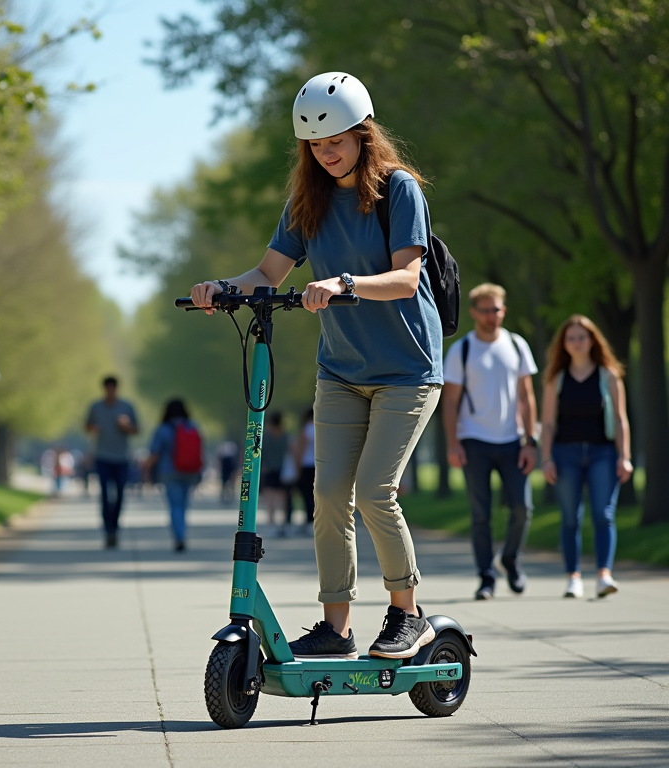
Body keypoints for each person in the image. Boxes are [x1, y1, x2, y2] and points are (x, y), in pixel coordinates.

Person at [190, 71, 442, 660]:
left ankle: (409, 614)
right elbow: (267, 275)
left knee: (375, 491)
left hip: (408, 370)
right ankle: (337, 626)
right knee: (328, 494)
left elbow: (408, 278)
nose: (326, 154)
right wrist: (220, 288)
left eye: (335, 141)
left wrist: (345, 282)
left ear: (363, 134)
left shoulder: (398, 191)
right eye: (315, 145)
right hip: (342, 372)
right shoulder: (308, 201)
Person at [442, 283, 538, 600]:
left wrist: (530, 440)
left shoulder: (517, 345)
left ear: (503, 310)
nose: (490, 315)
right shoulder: (462, 350)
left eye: (495, 309)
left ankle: (510, 558)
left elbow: (527, 396)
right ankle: (486, 576)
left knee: (523, 508)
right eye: (484, 310)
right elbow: (450, 402)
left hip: (512, 441)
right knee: (480, 514)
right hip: (474, 441)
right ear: (473, 313)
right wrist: (453, 443)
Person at [539, 315, 632, 599]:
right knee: (571, 518)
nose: (577, 342)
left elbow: (620, 418)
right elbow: (549, 422)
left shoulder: (609, 375)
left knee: (604, 514)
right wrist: (546, 458)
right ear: (563, 345)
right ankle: (574, 577)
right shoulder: (557, 378)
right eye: (571, 338)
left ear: (592, 340)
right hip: (565, 454)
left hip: (603, 453)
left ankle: (604, 574)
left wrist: (624, 456)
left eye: (582, 337)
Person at [85, 376, 139, 548]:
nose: (110, 391)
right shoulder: (96, 407)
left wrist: (126, 426)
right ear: (104, 389)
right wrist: (93, 428)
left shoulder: (126, 407)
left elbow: (136, 430)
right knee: (105, 495)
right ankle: (108, 530)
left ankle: (115, 528)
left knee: (120, 494)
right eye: (107, 388)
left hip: (121, 457)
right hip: (102, 457)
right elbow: (87, 426)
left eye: (112, 388)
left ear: (116, 389)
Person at [144, 398, 203, 552]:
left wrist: (146, 469)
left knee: (174, 505)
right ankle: (182, 533)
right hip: (190, 472)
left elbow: (154, 452)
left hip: (169, 472)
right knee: (183, 505)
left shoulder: (163, 429)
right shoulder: (192, 426)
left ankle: (179, 537)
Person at [261, 412, 290, 536]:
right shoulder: (285, 436)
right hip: (283, 470)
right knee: (282, 500)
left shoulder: (265, 436)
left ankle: (272, 524)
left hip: (269, 470)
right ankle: (282, 524)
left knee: (270, 500)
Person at [293, 408, 317, 537]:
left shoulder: (307, 429)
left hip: (307, 465)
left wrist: (297, 467)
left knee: (307, 494)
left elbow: (300, 449)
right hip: (320, 465)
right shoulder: (323, 426)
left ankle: (309, 520)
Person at [216, 439, 240, 503]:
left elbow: (219, 460)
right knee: (230, 483)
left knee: (225, 483)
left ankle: (226, 495)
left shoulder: (222, 449)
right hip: (230, 467)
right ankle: (230, 495)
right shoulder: (234, 448)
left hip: (226, 468)